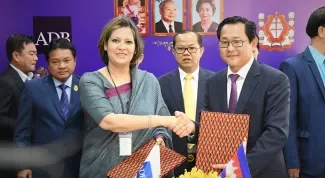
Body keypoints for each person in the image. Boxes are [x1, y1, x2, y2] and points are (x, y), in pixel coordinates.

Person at [171, 16, 290, 178]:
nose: (230, 48)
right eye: (224, 42)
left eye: (237, 42)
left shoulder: (275, 79)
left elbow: (276, 133)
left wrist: (240, 167)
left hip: (261, 171)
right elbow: (212, 126)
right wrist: (193, 127)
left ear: (253, 43)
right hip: (218, 170)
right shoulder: (213, 81)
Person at [78, 16, 181, 178]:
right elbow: (109, 121)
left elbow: (161, 123)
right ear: (105, 45)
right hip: (100, 168)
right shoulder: (90, 81)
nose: (121, 47)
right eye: (115, 40)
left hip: (142, 169)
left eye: (128, 42)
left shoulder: (149, 81)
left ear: (135, 48)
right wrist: (166, 120)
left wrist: (160, 137)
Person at [14, 38, 84, 178]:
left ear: (75, 60)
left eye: (67, 60)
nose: (62, 66)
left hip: (79, 166)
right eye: (55, 62)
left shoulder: (86, 86)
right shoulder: (33, 88)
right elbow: (22, 132)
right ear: (48, 63)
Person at [159, 30, 213, 176]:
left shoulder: (216, 82)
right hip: (173, 159)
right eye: (181, 49)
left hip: (208, 158)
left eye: (192, 48)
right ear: (174, 52)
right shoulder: (160, 83)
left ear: (201, 51)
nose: (186, 53)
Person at [279, 6, 325, 178]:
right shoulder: (293, 66)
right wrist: (291, 160)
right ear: (322, 31)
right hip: (308, 161)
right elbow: (287, 118)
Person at [0, 34, 37, 178]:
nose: (36, 58)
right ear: (16, 55)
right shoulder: (5, 82)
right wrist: (26, 126)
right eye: (31, 53)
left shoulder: (30, 80)